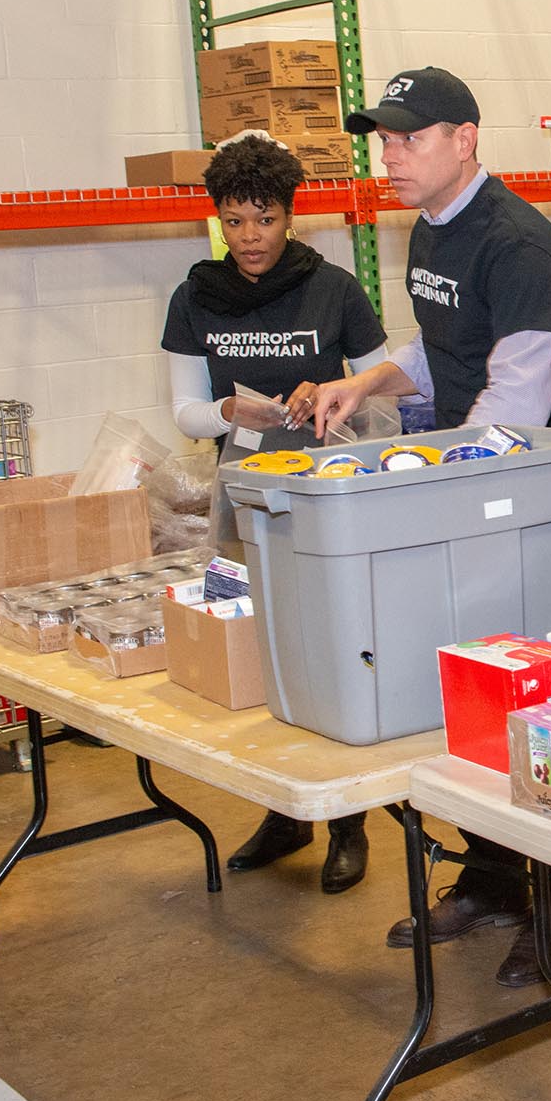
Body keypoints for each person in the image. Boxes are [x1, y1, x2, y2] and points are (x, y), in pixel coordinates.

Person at [305, 67, 551, 989]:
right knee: (469, 699)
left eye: (409, 138)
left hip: (534, 495)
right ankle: (494, 878)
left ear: (464, 140)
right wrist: (367, 382)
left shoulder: (518, 246)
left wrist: (428, 482)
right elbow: (443, 350)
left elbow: (514, 404)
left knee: (539, 703)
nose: (389, 155)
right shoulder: (430, 227)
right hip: (472, 492)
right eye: (384, 140)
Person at [162, 133, 386, 895]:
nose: (250, 236)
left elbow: (388, 387)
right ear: (218, 222)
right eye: (234, 221)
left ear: (290, 217)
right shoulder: (195, 296)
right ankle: (284, 811)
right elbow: (184, 411)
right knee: (258, 648)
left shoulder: (333, 288)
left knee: (330, 643)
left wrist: (331, 392)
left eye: (264, 219)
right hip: (242, 493)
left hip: (325, 491)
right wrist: (226, 409)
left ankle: (348, 820)